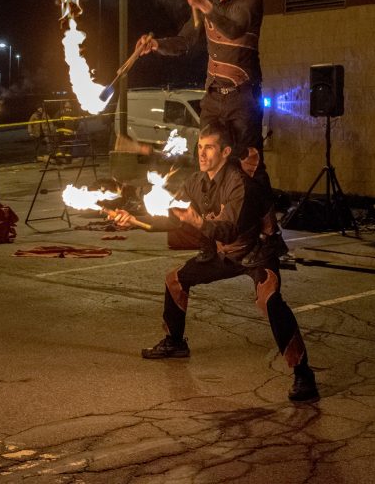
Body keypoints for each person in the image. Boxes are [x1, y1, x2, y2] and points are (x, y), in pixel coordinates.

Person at [111, 122, 319, 403]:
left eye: (209, 147)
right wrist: (135, 221)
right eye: (200, 147)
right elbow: (174, 216)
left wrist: (199, 222)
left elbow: (229, 230)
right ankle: (175, 342)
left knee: (269, 300)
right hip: (224, 254)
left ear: (225, 152)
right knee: (176, 279)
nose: (202, 153)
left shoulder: (239, 184)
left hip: (255, 253)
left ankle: (303, 374)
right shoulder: (197, 182)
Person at [134, 0, 286, 268]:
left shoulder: (250, 2)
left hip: (242, 98)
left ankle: (271, 239)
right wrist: (157, 45)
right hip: (213, 99)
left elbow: (234, 27)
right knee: (206, 164)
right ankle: (208, 239)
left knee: (250, 165)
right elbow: (184, 42)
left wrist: (204, 5)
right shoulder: (209, 7)